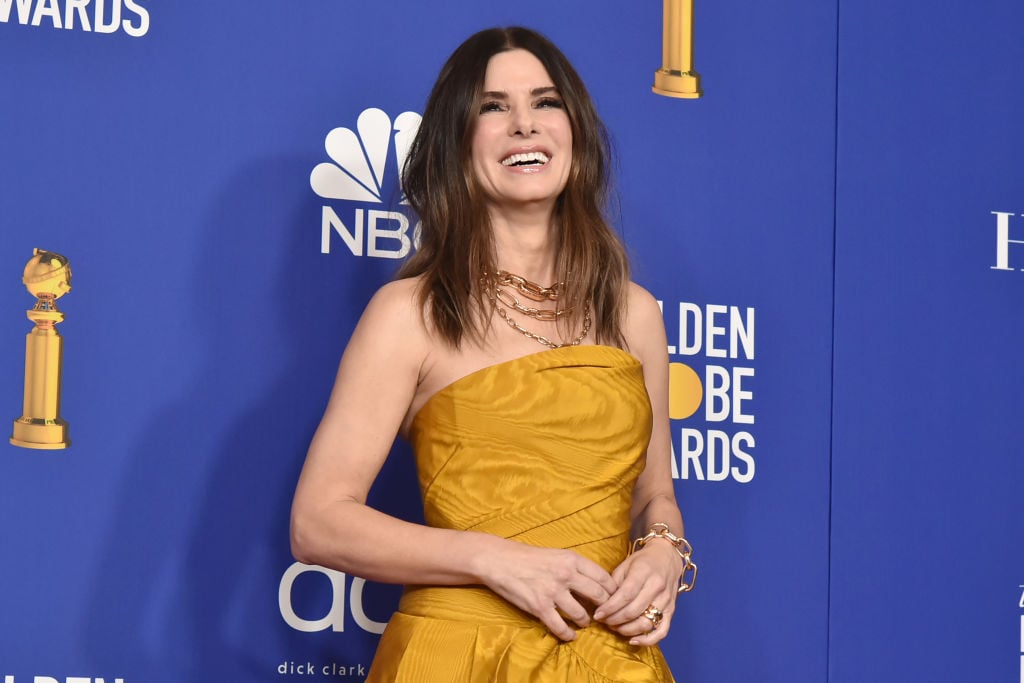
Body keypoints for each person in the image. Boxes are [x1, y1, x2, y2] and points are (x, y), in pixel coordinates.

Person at [290, 26, 695, 682]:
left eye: (545, 103)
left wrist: (665, 552)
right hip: (458, 657)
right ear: (456, 143)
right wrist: (493, 559)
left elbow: (656, 493)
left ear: (576, 133)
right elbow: (317, 522)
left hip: (611, 659)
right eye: (492, 107)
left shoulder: (635, 313)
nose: (524, 126)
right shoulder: (410, 314)